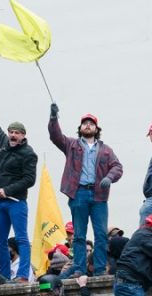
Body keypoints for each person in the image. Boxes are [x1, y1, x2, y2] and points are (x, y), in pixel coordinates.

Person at [48, 104, 123, 278]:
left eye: (91, 123)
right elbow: (55, 136)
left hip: (99, 196)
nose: (88, 125)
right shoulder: (71, 145)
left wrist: (109, 177)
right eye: (84, 123)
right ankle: (80, 269)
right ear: (80, 128)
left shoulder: (105, 150)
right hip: (79, 193)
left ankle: (99, 270)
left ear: (96, 129)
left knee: (100, 235)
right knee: (79, 236)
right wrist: (53, 118)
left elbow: (118, 167)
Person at [0, 102, 38, 282]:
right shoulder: (4, 143)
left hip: (16, 201)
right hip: (1, 201)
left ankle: (22, 275)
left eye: (16, 132)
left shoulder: (28, 154)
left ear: (23, 136)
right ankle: (3, 274)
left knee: (21, 238)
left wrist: (7, 190)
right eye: (11, 131)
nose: (12, 134)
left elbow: (29, 180)